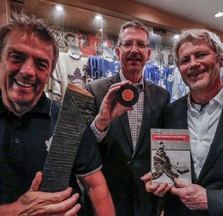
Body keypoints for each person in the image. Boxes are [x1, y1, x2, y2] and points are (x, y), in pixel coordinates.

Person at [0, 11, 115, 216]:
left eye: (40, 64)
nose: (28, 70)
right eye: (17, 57)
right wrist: (15, 211)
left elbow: (96, 187)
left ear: (48, 74)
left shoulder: (70, 119)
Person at [141, 29, 223, 215]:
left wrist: (211, 200)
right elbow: (174, 168)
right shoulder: (171, 112)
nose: (193, 64)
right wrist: (161, 179)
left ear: (221, 59)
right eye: (185, 60)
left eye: (201, 54)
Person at [86, 20, 170, 216]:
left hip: (147, 196)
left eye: (141, 44)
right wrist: (102, 121)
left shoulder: (162, 95)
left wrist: (164, 182)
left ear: (148, 54)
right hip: (106, 195)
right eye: (128, 44)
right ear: (117, 52)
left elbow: (165, 143)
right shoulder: (95, 90)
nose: (134, 50)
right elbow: (84, 146)